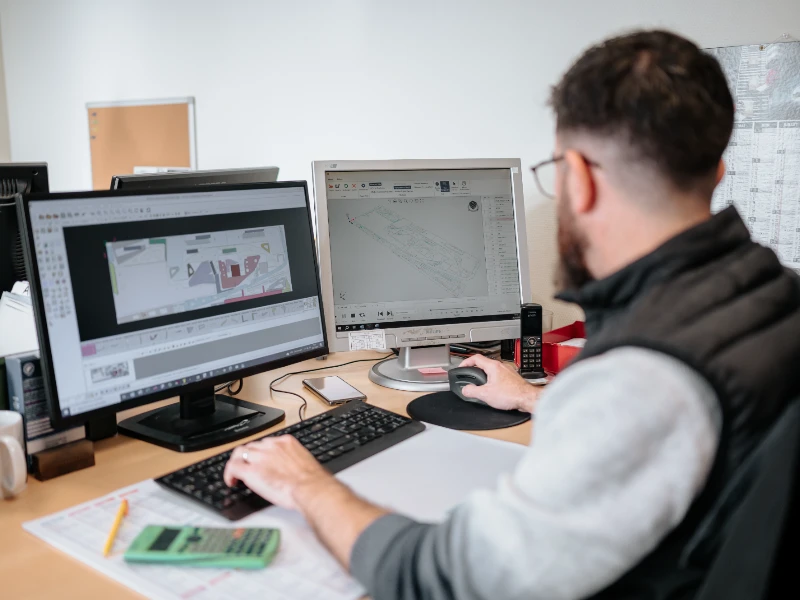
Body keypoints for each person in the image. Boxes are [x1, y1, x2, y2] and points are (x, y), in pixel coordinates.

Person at [224, 30, 800, 600]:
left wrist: (306, 485)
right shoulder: (775, 295)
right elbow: (676, 427)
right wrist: (532, 398)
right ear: (717, 171)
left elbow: (448, 578)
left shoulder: (639, 377)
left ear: (579, 177)